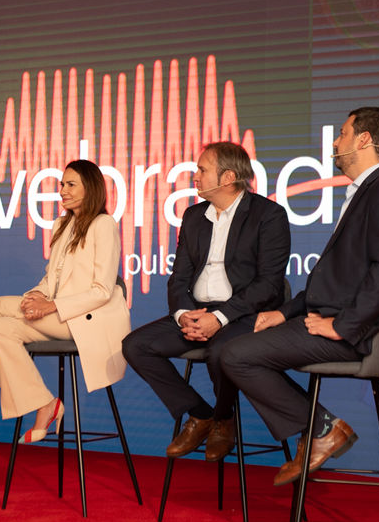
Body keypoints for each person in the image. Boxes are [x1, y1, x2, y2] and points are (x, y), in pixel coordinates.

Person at [220, 106, 379, 486]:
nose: (335, 141)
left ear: (364, 140)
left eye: (343, 134)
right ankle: (318, 430)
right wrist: (285, 313)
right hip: (331, 319)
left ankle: (321, 428)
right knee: (236, 348)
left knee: (236, 355)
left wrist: (342, 326)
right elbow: (328, 283)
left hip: (356, 333)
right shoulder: (368, 192)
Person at [0, 160, 130, 443]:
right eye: (62, 184)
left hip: (86, 321)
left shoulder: (104, 225)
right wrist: (38, 295)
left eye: (70, 184)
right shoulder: (62, 224)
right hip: (59, 315)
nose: (62, 190)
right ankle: (45, 404)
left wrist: (52, 306)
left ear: (90, 188)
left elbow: (102, 290)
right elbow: (52, 279)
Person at [122, 142, 290, 461]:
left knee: (220, 352)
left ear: (227, 177)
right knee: (135, 346)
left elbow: (269, 285)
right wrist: (184, 314)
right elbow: (179, 277)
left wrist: (221, 318)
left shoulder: (268, 215)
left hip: (243, 313)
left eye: (201, 170)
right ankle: (201, 415)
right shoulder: (194, 216)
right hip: (199, 310)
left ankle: (224, 420)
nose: (194, 177)